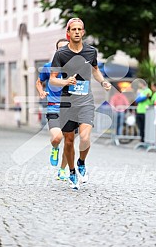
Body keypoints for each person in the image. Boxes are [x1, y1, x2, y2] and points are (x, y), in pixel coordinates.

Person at [50, 18, 111, 189]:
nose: (77, 32)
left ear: (83, 32)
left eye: (80, 29)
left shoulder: (91, 52)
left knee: (84, 137)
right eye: (73, 29)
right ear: (68, 33)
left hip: (85, 101)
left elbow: (95, 70)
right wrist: (65, 82)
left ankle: (81, 162)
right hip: (67, 103)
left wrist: (103, 82)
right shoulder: (61, 54)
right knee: (69, 141)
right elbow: (53, 80)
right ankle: (71, 172)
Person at [36, 38, 70, 181]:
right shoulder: (48, 67)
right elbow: (39, 82)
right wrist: (41, 92)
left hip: (71, 109)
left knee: (69, 143)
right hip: (54, 107)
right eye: (60, 49)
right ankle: (55, 148)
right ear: (56, 51)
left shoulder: (75, 68)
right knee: (57, 137)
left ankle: (62, 170)